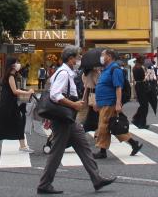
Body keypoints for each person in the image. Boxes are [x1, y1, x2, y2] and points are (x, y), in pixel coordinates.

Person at [37, 46, 115, 195]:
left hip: (68, 118)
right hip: (63, 118)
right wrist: (74, 104)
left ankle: (96, 178)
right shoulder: (64, 73)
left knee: (83, 146)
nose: (78, 60)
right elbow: (55, 95)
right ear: (71, 58)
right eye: (77, 57)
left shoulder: (65, 72)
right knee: (57, 152)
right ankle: (44, 184)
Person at [0, 58, 35, 153]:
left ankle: (23, 146)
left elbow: (15, 90)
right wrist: (28, 92)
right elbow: (15, 91)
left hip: (10, 104)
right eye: (16, 63)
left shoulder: (11, 75)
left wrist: (25, 91)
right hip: (6, 105)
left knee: (18, 123)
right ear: (12, 65)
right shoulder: (10, 76)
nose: (18, 64)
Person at [93, 49, 142, 158]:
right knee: (113, 126)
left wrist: (118, 103)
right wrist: (97, 102)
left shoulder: (115, 69)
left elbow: (118, 87)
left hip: (109, 102)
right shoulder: (105, 69)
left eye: (103, 55)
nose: (101, 57)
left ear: (109, 56)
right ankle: (134, 144)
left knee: (103, 127)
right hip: (103, 103)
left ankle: (102, 151)